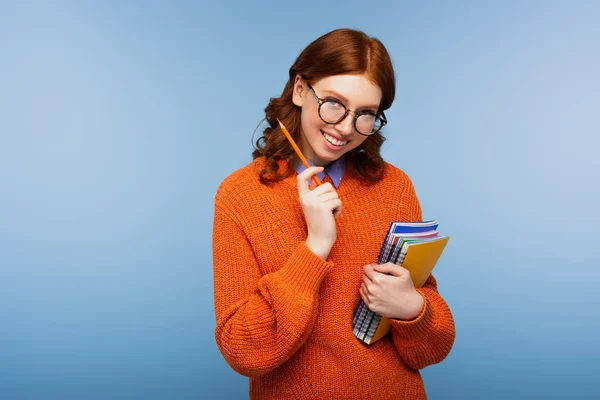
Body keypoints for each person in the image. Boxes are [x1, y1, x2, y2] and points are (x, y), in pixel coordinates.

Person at [212, 28, 455, 399]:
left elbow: (431, 350)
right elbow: (244, 351)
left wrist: (413, 308)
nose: (345, 127)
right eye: (334, 103)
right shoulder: (240, 195)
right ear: (299, 90)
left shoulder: (395, 187)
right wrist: (315, 247)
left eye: (365, 114)